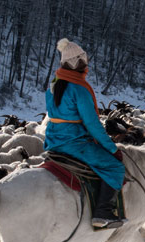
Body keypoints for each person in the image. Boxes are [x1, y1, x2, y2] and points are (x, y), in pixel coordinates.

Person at [44, 38, 126, 229]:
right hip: (75, 143)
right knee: (115, 168)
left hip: (53, 141)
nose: (86, 65)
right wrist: (112, 149)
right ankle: (102, 212)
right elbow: (92, 124)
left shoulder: (53, 86)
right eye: (83, 61)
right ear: (78, 63)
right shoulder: (79, 89)